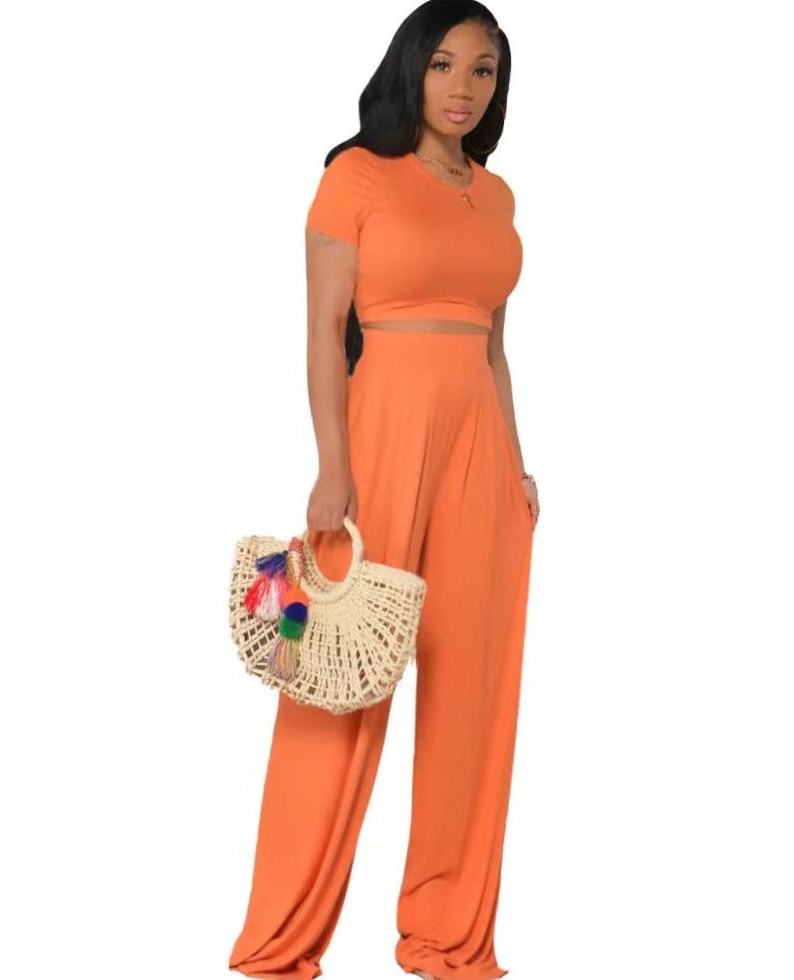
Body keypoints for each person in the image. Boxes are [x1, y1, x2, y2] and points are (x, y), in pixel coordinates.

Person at [229, 3, 538, 978]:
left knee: (471, 697)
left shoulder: (497, 197)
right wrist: (333, 464)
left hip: (482, 460)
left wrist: (518, 463)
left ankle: (446, 934)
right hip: (378, 442)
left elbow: (491, 345)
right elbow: (325, 332)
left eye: (482, 71)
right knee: (332, 680)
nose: (462, 87)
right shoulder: (355, 175)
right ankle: (280, 937)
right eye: (443, 64)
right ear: (410, 68)